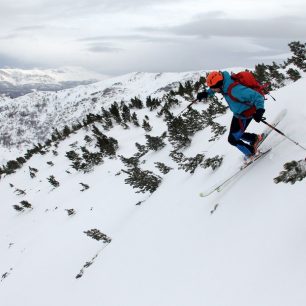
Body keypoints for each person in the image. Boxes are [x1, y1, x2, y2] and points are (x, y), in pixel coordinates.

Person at [196, 71, 265, 160]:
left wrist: (260, 111)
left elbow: (257, 97)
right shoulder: (224, 84)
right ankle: (254, 139)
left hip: (245, 114)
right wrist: (206, 93)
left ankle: (251, 152)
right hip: (239, 114)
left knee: (232, 139)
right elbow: (213, 89)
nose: (212, 90)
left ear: (220, 85)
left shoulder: (235, 90)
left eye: (213, 88)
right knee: (235, 134)